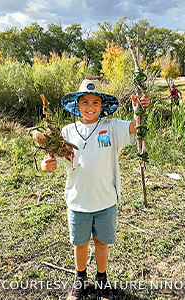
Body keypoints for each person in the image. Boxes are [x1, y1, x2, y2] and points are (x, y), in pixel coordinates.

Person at [41, 79, 150, 300]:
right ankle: (80, 280)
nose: (90, 106)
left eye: (95, 102)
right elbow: (55, 161)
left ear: (102, 106)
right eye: (85, 102)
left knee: (101, 243)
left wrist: (141, 109)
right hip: (78, 199)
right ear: (76, 105)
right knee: (80, 244)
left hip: (105, 200)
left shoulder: (111, 127)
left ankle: (102, 280)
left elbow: (134, 127)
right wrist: (46, 165)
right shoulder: (67, 131)